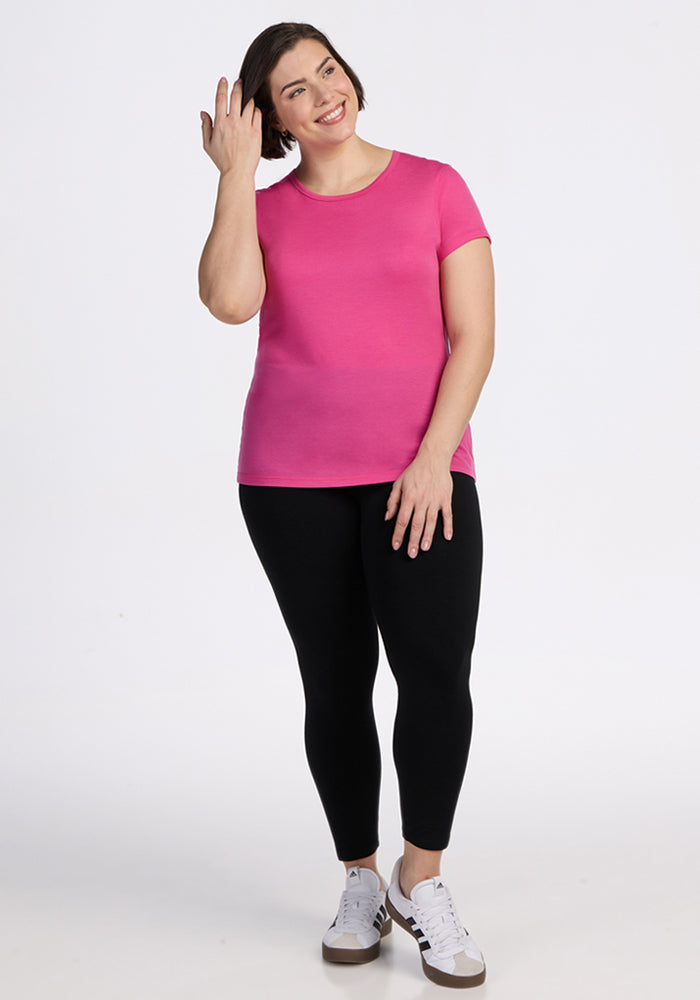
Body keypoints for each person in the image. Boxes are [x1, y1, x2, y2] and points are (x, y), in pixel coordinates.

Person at [198, 21, 495, 990]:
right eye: (292, 89)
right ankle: (359, 878)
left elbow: (473, 339)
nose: (323, 92)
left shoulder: (434, 186)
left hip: (420, 474)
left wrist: (430, 460)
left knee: (435, 676)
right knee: (334, 681)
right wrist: (234, 176)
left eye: (326, 69)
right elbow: (229, 302)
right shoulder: (267, 207)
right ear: (269, 116)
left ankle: (424, 874)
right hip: (288, 479)